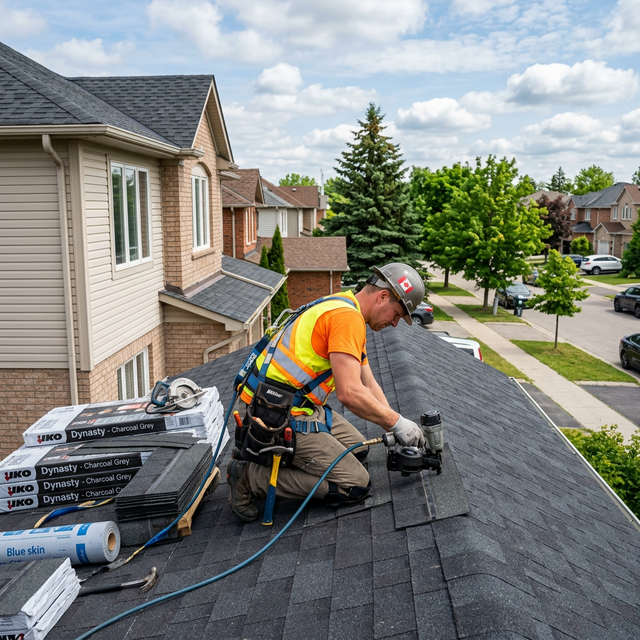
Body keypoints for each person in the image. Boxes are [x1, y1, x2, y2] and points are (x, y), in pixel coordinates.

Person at [227, 263, 426, 522]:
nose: (395, 323)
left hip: (289, 404)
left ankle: (284, 463)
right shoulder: (346, 319)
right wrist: (398, 424)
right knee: (355, 484)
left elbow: (368, 384)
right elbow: (350, 393)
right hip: (274, 415)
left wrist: (394, 426)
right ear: (383, 296)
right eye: (398, 314)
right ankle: (248, 477)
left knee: (359, 450)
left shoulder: (343, 303)